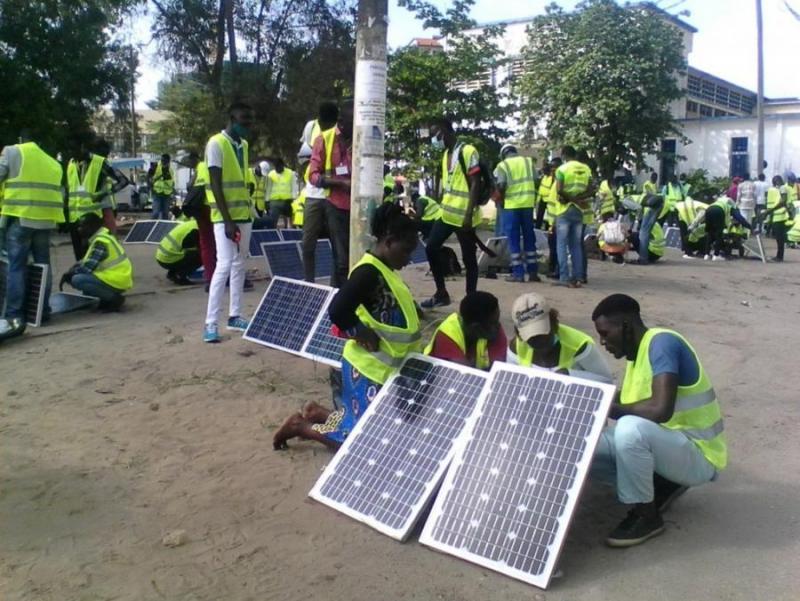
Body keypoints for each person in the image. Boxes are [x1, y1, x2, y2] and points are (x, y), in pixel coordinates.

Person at [272, 203, 422, 450]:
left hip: (380, 369)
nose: (408, 259)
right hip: (367, 368)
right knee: (360, 442)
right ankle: (301, 427)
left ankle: (317, 413)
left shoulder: (385, 270)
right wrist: (359, 332)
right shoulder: (367, 273)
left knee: (362, 424)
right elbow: (338, 310)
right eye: (406, 251)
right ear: (389, 241)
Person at [591, 294, 727, 547]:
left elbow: (660, 410)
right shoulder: (637, 357)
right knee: (584, 447)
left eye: (605, 333)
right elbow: (630, 401)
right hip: (672, 451)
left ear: (626, 327)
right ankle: (663, 482)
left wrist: (611, 407)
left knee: (630, 431)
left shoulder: (662, 344)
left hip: (699, 455)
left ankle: (646, 515)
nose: (602, 342)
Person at [0, 132, 64, 339]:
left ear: (20, 140)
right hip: (45, 221)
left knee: (15, 266)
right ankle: (42, 311)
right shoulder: (53, 163)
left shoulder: (12, 151)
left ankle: (13, 314)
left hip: (20, 218)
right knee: (43, 265)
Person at [202, 102, 255, 343]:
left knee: (239, 265)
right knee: (223, 265)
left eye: (249, 122)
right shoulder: (216, 143)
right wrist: (227, 220)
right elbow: (215, 183)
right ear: (231, 120)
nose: (247, 126)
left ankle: (235, 316)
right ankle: (210, 323)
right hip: (225, 218)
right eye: (243, 122)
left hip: (244, 215)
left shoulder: (243, 145)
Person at [421, 117, 482, 308]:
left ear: (445, 131)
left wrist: (468, 214)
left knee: (469, 259)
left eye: (434, 134)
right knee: (431, 247)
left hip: (464, 216)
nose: (433, 138)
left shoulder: (467, 151)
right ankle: (441, 293)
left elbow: (475, 184)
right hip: (447, 214)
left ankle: (470, 300)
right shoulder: (446, 154)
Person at [508, 292, 612, 382]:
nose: (539, 341)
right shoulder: (516, 347)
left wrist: (570, 375)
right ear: (519, 333)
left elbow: (606, 382)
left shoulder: (579, 344)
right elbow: (509, 381)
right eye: (532, 338)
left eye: (542, 334)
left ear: (554, 323)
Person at [308, 100, 353, 288]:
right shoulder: (324, 139)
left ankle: (337, 295)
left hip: (359, 208)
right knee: (342, 259)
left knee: (350, 258)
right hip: (335, 205)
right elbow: (313, 175)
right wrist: (340, 183)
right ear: (341, 123)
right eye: (353, 123)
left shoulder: (363, 140)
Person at [66, 137, 129, 259]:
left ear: (84, 147)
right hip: (75, 217)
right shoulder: (71, 164)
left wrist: (104, 193)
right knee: (80, 256)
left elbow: (123, 180)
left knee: (97, 250)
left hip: (95, 215)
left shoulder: (99, 163)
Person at [60, 213, 133, 312]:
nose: (79, 229)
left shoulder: (101, 241)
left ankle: (114, 299)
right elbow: (86, 262)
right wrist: (72, 270)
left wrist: (70, 275)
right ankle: (105, 299)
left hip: (116, 280)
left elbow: (87, 268)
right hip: (117, 278)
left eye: (82, 226)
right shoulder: (102, 236)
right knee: (81, 278)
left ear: (92, 226)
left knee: (78, 279)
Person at [301, 101, 339, 283]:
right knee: (308, 243)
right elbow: (304, 155)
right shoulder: (311, 127)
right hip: (313, 194)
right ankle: (309, 283)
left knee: (336, 243)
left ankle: (334, 285)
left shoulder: (342, 132)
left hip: (334, 195)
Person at [424, 291, 507, 370]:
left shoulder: (492, 329)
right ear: (476, 328)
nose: (499, 326)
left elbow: (499, 368)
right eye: (493, 322)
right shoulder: (447, 336)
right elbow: (464, 375)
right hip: (436, 381)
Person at [493, 144, 540, 283]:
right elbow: (536, 180)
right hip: (527, 204)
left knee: (513, 239)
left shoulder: (502, 165)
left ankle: (518, 273)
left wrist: (499, 199)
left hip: (511, 205)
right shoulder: (528, 161)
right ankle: (533, 272)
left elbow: (501, 184)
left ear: (503, 154)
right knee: (529, 237)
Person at [553, 146, 594, 287]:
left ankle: (564, 277)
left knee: (561, 245)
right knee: (576, 245)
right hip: (578, 211)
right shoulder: (586, 169)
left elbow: (560, 190)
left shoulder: (562, 169)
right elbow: (591, 190)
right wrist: (578, 198)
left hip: (564, 211)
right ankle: (578, 277)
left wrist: (571, 199)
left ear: (564, 155)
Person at [694, 195, 752, 261]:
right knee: (718, 235)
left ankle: (706, 255)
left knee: (710, 234)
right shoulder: (731, 207)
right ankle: (716, 255)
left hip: (709, 210)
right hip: (719, 212)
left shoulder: (716, 203)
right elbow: (740, 219)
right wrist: (750, 227)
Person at [155, 215, 200, 285]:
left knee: (185, 253)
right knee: (201, 255)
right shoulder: (195, 230)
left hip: (160, 257)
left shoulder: (191, 224)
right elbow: (190, 247)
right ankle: (181, 276)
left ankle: (172, 274)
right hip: (168, 259)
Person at [265, 157, 298, 229]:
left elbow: (294, 186)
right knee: (273, 221)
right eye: (276, 167)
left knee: (290, 220)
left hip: (287, 201)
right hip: (274, 202)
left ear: (282, 165)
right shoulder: (271, 174)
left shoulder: (290, 173)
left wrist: (294, 198)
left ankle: (290, 232)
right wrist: (267, 201)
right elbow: (268, 188)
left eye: (279, 167)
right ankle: (273, 233)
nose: (277, 169)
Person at [764, 175, 790, 262]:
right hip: (778, 216)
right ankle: (779, 256)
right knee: (779, 238)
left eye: (775, 183)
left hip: (781, 216)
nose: (775, 185)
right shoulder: (782, 188)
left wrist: (771, 210)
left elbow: (783, 201)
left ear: (777, 181)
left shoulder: (782, 188)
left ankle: (779, 257)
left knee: (780, 238)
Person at [149, 154, 174, 220]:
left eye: (165, 161)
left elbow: (171, 183)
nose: (163, 162)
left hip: (166, 194)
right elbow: (149, 178)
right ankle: (152, 226)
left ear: (168, 161)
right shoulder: (156, 167)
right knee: (156, 213)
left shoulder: (170, 170)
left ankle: (164, 229)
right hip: (157, 193)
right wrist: (151, 188)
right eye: (162, 160)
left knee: (165, 214)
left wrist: (171, 192)